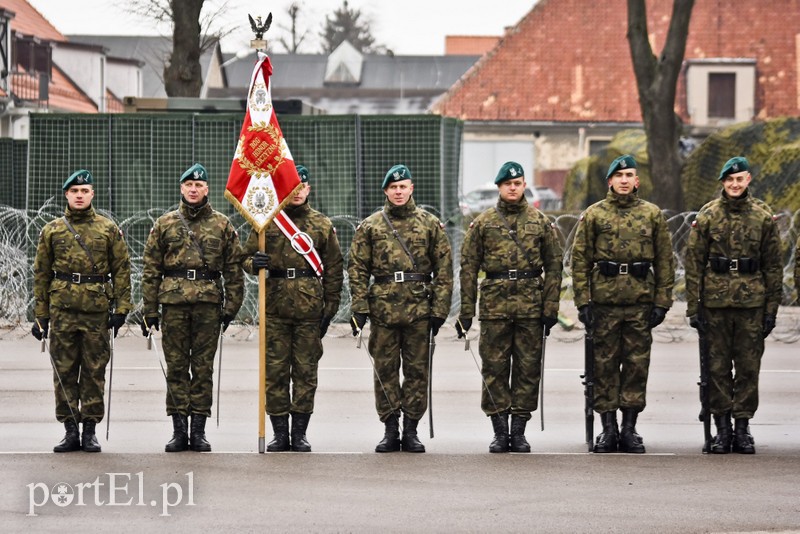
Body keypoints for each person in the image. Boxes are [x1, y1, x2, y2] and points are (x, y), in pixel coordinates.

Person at [571, 154, 674, 454]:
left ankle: (629, 429)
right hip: (604, 303)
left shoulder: (652, 214)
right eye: (619, 176)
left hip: (640, 303)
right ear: (610, 181)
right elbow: (580, 261)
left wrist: (662, 301)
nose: (625, 180)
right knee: (603, 367)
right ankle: (608, 430)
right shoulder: (594, 215)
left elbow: (665, 261)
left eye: (630, 175)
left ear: (637, 180)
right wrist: (582, 301)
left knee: (636, 367)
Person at [457, 161, 563, 453]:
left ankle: (519, 431)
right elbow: (468, 267)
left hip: (531, 305)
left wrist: (550, 307)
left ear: (524, 185)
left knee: (528, 369)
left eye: (517, 183)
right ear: (500, 187)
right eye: (507, 184)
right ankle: (499, 431)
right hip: (495, 307)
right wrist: (466, 312)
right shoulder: (484, 223)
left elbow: (555, 266)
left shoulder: (540, 222)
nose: (513, 188)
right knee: (494, 369)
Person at [347, 164, 453, 453]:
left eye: (403, 186)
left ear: (411, 188)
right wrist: (360, 306)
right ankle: (390, 429)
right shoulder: (371, 226)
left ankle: (411, 430)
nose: (398, 191)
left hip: (419, 309)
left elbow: (444, 269)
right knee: (385, 370)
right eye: (393, 187)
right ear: (385, 191)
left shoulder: (430, 224)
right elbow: (356, 268)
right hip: (383, 311)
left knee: (417, 371)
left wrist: (440, 311)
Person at [141, 163, 244, 452]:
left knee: (202, 369)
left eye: (199, 185)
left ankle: (198, 431)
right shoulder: (165, 224)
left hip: (208, 306)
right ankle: (178, 431)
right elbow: (151, 270)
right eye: (189, 185)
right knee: (176, 368)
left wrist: (231, 308)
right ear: (181, 188)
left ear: (207, 189)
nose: (194, 189)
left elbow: (234, 269)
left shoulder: (222, 224)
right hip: (173, 305)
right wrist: (150, 310)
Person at [241, 165, 344, 452]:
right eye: (292, 186)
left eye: (302, 187)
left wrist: (330, 308)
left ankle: (299, 433)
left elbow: (334, 269)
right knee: (275, 373)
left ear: (309, 189)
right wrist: (254, 263)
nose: (297, 192)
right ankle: (279, 434)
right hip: (274, 308)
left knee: (305, 373)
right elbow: (245, 257)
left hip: (310, 311)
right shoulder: (266, 222)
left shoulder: (322, 225)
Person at [685, 156, 782, 454]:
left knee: (748, 369)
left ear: (748, 180)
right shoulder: (709, 215)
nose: (735, 184)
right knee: (716, 369)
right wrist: (693, 308)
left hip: (752, 304)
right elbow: (694, 264)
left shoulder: (762, 217)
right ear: (723, 183)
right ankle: (722, 430)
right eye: (730, 180)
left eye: (740, 179)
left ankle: (742, 429)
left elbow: (773, 267)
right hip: (715, 304)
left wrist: (771, 311)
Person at [32, 169, 132, 453]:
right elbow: (41, 275)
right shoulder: (52, 230)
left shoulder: (107, 229)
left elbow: (121, 270)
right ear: (66, 194)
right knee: (63, 373)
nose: (79, 195)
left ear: (92, 194)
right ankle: (69, 430)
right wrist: (41, 316)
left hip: (96, 313)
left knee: (93, 372)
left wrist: (122, 308)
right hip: (62, 311)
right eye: (74, 191)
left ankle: (90, 431)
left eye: (84, 191)